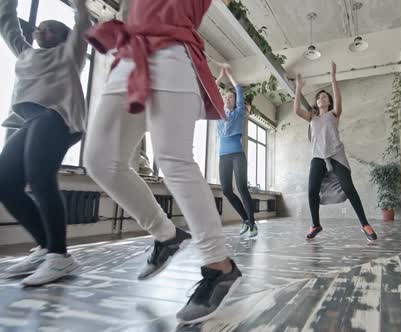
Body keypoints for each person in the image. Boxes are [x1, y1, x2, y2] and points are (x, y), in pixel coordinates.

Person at [83, 0, 242, 324]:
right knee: (100, 161)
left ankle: (219, 264)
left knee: (174, 160)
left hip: (172, 53)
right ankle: (165, 233)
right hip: (128, 54)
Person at [0, 0, 91, 286]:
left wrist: (80, 6)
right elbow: (7, 22)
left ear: (64, 38)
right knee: (5, 183)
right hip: (29, 121)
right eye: (40, 29)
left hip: (57, 117)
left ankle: (60, 256)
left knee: (40, 180)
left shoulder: (70, 53)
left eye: (51, 30)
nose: (42, 32)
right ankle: (44, 248)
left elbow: (83, 23)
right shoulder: (26, 53)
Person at [293, 62, 378, 242]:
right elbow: (296, 110)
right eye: (319, 97)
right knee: (311, 190)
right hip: (317, 156)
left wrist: (333, 78)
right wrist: (298, 89)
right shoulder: (312, 118)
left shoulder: (334, 114)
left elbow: (339, 99)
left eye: (325, 97)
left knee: (349, 188)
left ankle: (364, 224)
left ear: (329, 102)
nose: (322, 98)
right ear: (316, 103)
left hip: (336, 154)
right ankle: (315, 224)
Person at [216, 67, 258, 237]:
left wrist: (229, 75)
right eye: (226, 97)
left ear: (235, 101)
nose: (227, 99)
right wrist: (219, 76)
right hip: (223, 155)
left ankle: (253, 224)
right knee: (226, 190)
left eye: (231, 97)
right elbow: (211, 89)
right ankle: (245, 220)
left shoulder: (239, 112)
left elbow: (239, 89)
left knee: (241, 188)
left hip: (237, 154)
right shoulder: (219, 113)